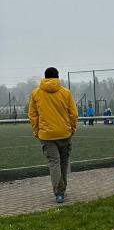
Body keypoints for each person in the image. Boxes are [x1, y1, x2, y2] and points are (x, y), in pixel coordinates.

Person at [28, 67, 78, 203]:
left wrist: (36, 131)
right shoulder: (66, 93)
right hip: (64, 133)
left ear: (45, 77)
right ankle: (62, 189)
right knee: (63, 162)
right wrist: (72, 129)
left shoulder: (36, 93)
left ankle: (59, 193)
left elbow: (33, 115)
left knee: (54, 163)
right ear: (57, 77)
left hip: (46, 135)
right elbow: (73, 114)